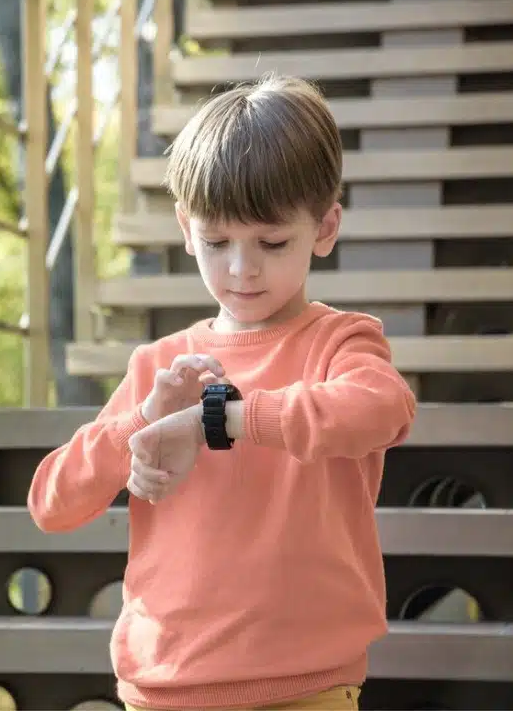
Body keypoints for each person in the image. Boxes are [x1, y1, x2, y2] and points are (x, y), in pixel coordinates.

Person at [27, 74, 418, 711]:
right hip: (165, 685)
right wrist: (144, 421)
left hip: (308, 684)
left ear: (324, 227)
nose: (242, 269)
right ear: (186, 227)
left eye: (271, 242)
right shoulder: (159, 364)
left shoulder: (341, 343)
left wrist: (225, 420)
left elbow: (382, 408)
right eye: (217, 242)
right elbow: (52, 502)